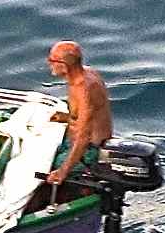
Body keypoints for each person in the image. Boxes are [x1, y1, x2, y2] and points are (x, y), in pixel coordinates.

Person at [36, 39, 113, 203]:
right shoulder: (87, 73)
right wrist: (66, 118)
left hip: (88, 150)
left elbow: (84, 137)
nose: (49, 63)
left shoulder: (84, 88)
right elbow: (89, 115)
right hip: (75, 140)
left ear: (64, 65)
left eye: (52, 60)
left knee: (40, 172)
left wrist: (62, 171)